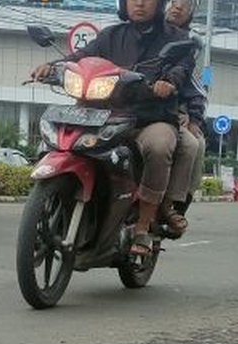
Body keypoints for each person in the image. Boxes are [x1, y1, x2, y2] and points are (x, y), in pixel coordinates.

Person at [31, 0, 194, 255]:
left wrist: (168, 82)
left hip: (148, 118)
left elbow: (181, 68)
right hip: (102, 116)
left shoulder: (176, 39)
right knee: (64, 139)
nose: (139, 3)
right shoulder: (110, 35)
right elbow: (81, 58)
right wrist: (53, 66)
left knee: (159, 146)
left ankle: (143, 226)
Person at [165, 0, 206, 227]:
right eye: (172, 2)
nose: (177, 7)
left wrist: (194, 118)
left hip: (170, 108)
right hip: (125, 102)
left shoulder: (189, 44)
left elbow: (195, 88)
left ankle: (173, 204)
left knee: (194, 144)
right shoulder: (125, 33)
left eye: (184, 5)